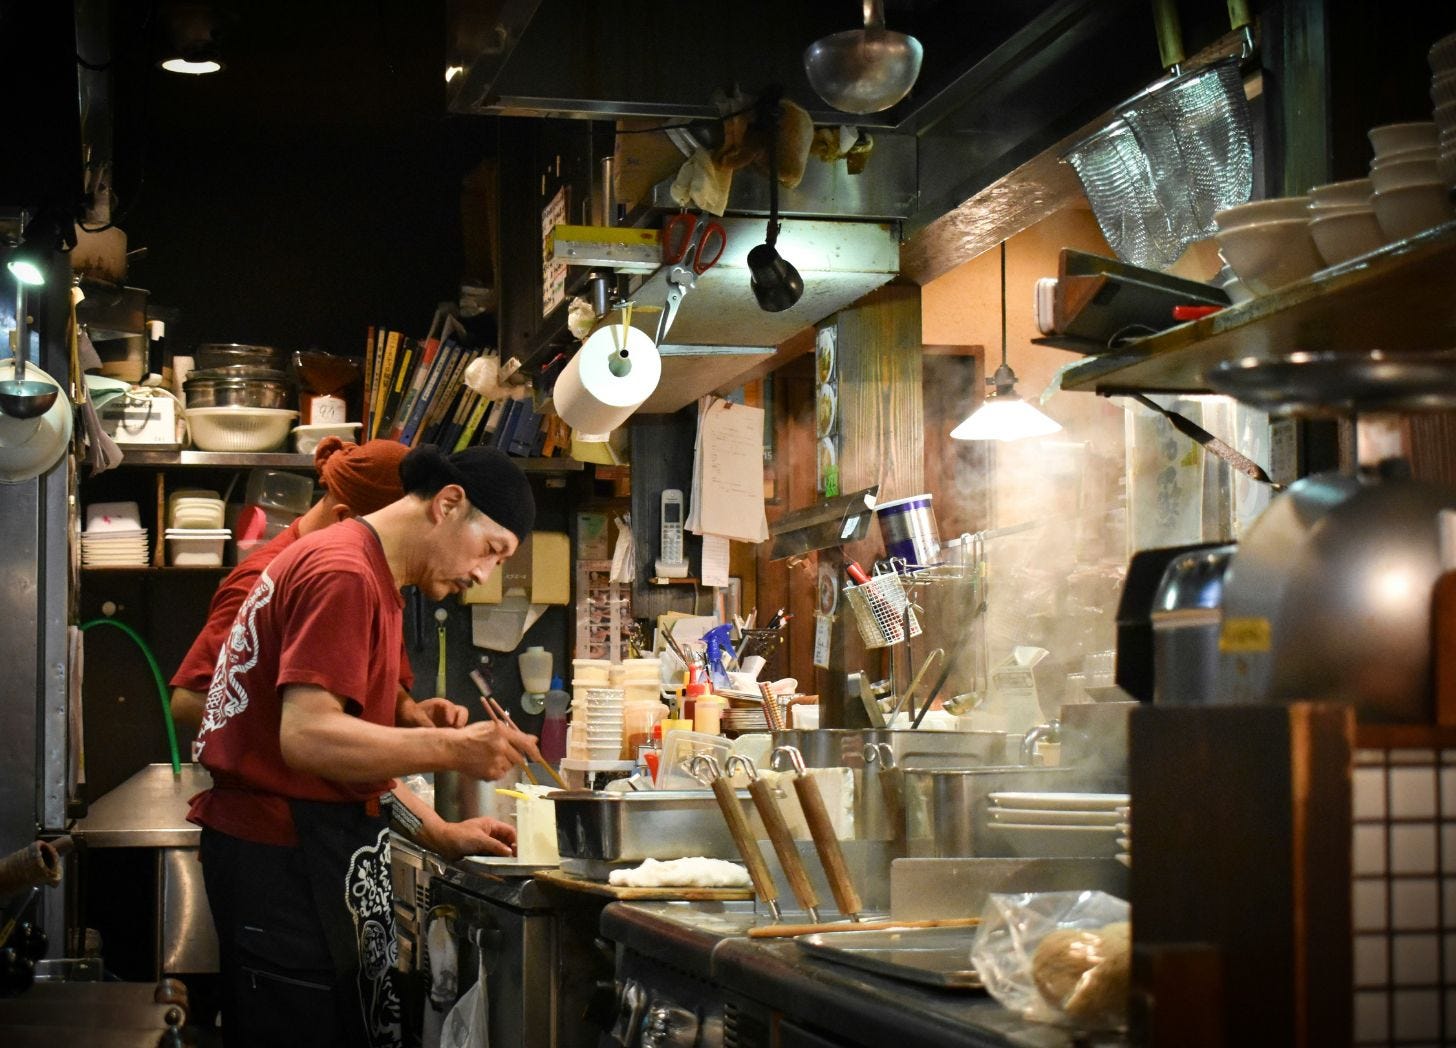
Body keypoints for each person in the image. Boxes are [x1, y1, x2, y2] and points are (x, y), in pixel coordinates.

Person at [188, 444, 538, 1048]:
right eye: (492, 550)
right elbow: (310, 740)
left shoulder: (369, 571)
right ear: (449, 504)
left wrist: (438, 831)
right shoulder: (344, 573)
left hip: (303, 853)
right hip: (284, 862)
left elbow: (345, 753)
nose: (485, 574)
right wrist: (454, 749)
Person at [169, 436, 467, 733]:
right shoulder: (264, 580)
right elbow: (191, 702)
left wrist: (406, 712)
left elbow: (370, 681)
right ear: (346, 519)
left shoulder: (377, 576)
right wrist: (310, 736)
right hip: (286, 780)